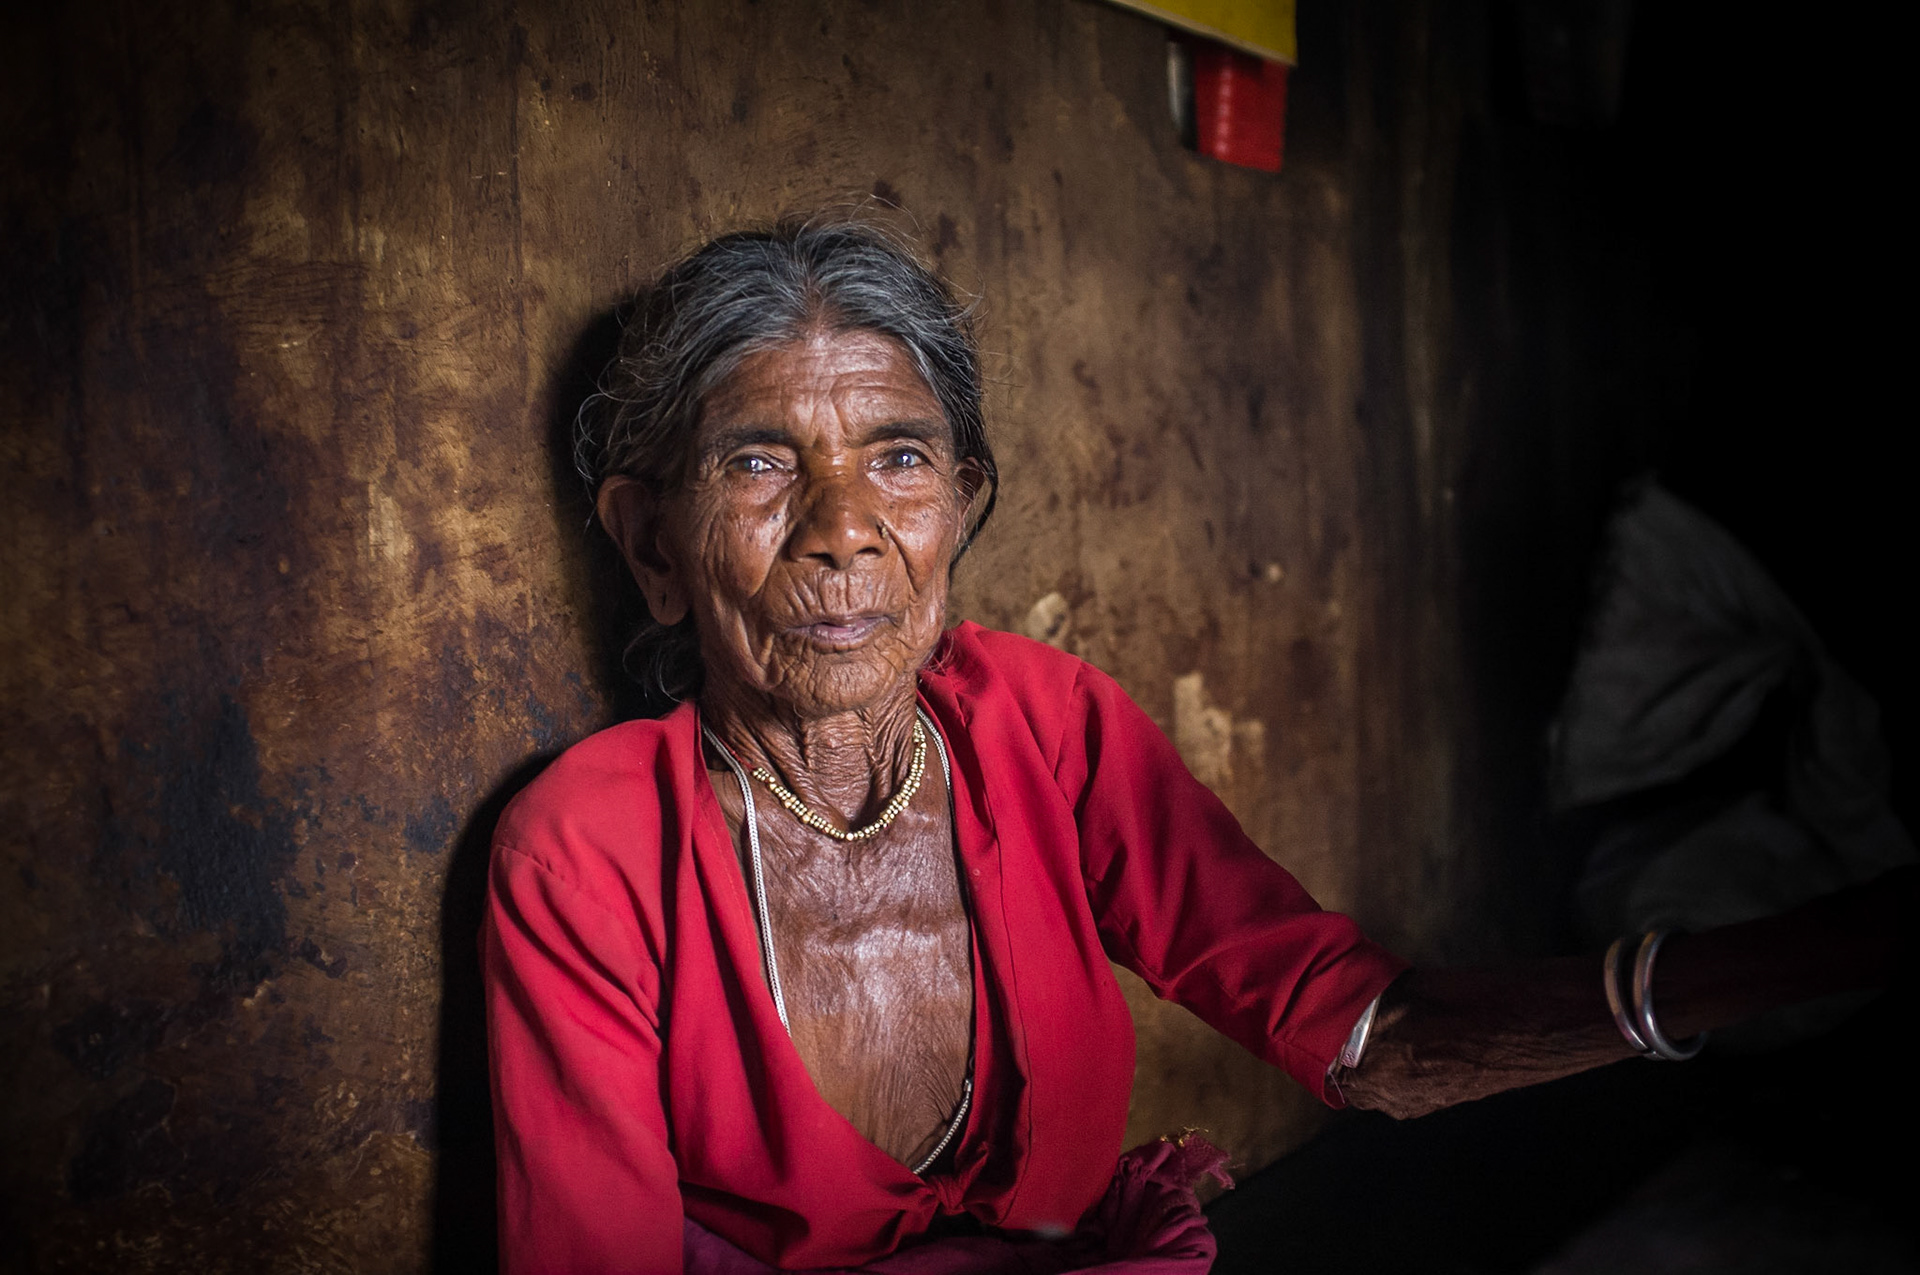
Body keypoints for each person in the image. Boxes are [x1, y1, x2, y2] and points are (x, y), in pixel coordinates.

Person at [481, 219, 1912, 1274]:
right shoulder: (591, 847)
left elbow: (1371, 1037)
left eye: (900, 457)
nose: (845, 522)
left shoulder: (1043, 724)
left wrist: (1826, 950)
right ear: (650, 547)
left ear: (959, 511)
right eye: (761, 460)